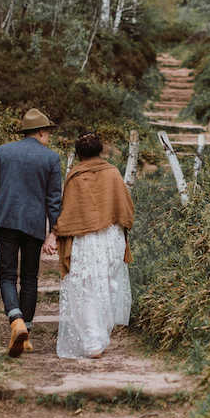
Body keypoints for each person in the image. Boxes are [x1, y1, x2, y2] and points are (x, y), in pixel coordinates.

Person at [0, 108, 61, 357]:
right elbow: (54, 201)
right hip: (34, 225)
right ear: (42, 131)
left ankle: (15, 321)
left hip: (4, 221)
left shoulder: (4, 151)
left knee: (6, 275)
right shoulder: (51, 158)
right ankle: (25, 335)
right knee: (29, 278)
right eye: (48, 132)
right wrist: (53, 233)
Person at [53, 131, 134, 359]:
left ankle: (92, 340)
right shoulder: (113, 173)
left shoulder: (74, 176)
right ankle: (96, 337)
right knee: (108, 285)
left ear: (78, 154)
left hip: (84, 238)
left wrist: (56, 232)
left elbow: (68, 212)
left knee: (87, 288)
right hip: (110, 237)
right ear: (101, 151)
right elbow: (126, 208)